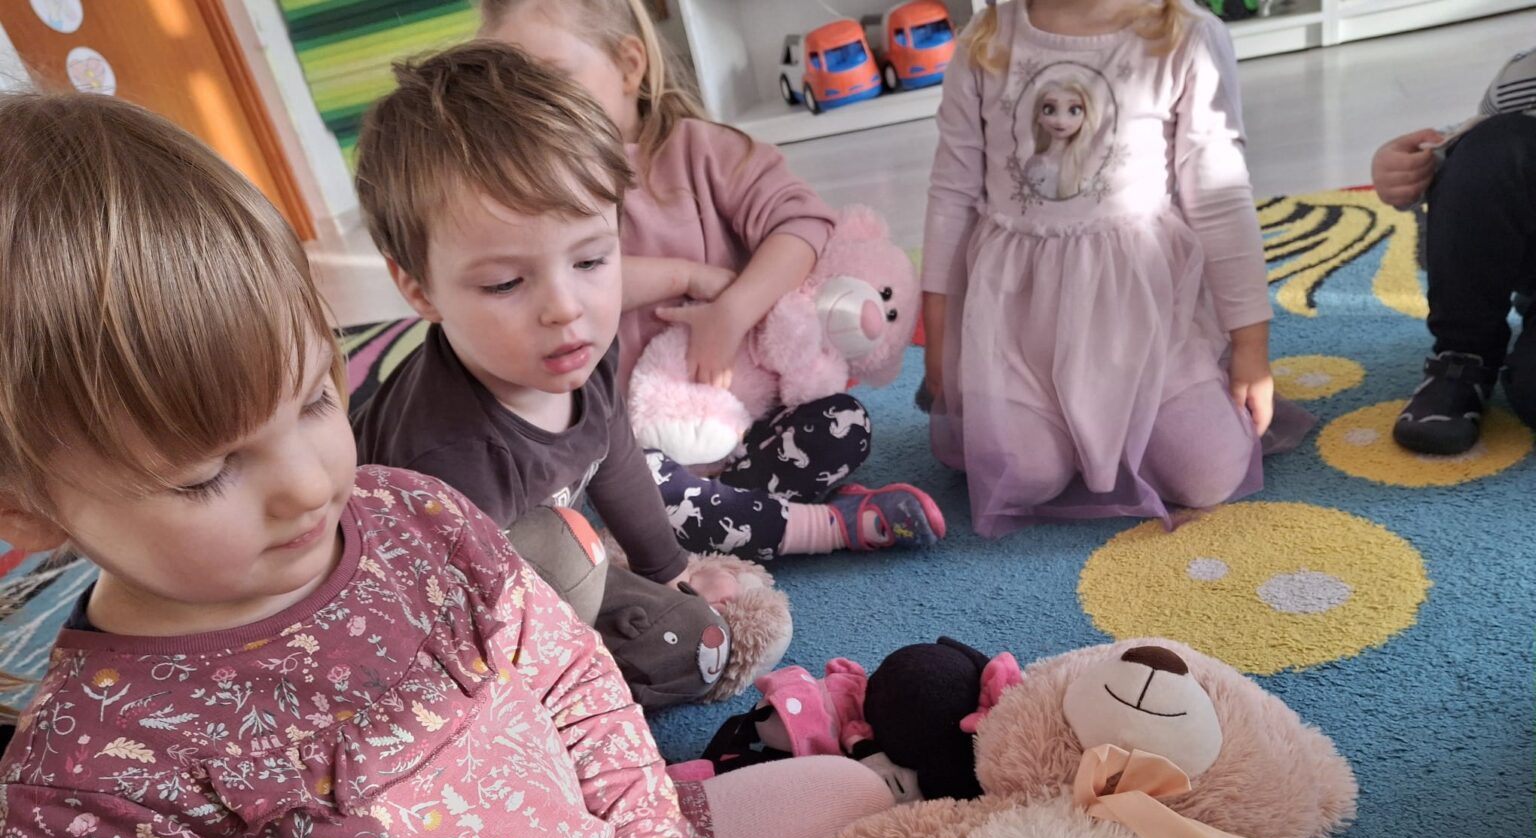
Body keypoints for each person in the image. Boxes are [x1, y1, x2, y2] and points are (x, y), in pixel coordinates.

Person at [0, 91, 892, 838]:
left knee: (853, 798)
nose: (308, 484)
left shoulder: (412, 511)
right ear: (27, 510)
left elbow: (569, 677)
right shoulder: (90, 779)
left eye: (313, 400)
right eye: (206, 475)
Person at [482, 0, 946, 558]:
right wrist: (686, 276)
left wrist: (731, 313)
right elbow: (556, 282)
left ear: (629, 66)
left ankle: (733, 517)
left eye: (550, 78)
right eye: (512, 92)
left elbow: (803, 226)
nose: (531, 108)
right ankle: (820, 525)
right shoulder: (531, 190)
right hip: (632, 450)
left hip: (749, 418)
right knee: (631, 492)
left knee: (844, 424)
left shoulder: (703, 152)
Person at [350, 44, 731, 709]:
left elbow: (614, 456)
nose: (565, 309)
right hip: (433, 602)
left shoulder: (580, 348)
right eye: (505, 283)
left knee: (694, 634)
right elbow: (462, 629)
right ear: (419, 289)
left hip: (534, 551)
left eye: (590, 261)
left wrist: (667, 567)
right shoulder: (450, 459)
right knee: (678, 653)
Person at [921, 0, 1310, 536]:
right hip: (1021, 330)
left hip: (1148, 324)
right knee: (1023, 475)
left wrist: (1250, 347)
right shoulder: (986, 41)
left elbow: (1220, 199)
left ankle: (1141, 417)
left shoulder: (1185, 36)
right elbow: (951, 196)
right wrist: (941, 344)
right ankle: (1065, 432)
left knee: (1209, 474)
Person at [1375, 48, 1536, 454]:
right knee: (1495, 145)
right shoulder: (1524, 79)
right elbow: (1475, 159)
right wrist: (1404, 168)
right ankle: (1463, 356)